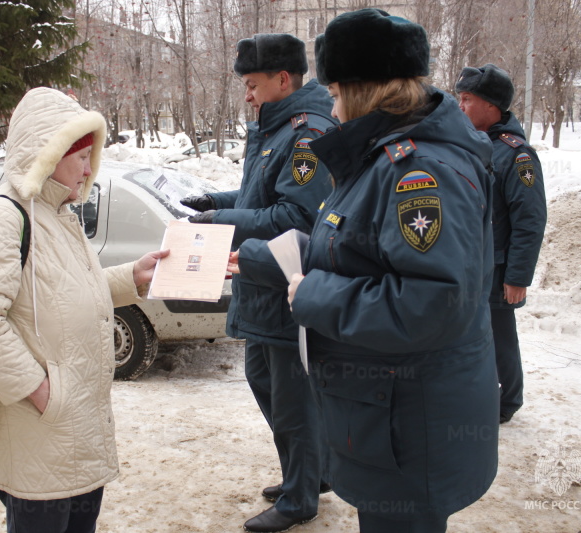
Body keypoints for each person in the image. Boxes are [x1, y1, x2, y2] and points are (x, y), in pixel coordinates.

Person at [230, 9, 499, 532]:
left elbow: (428, 302)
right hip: (388, 415)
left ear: (361, 92)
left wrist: (310, 295)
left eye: (334, 93)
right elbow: (350, 245)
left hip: (410, 424)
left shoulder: (418, 173)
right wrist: (263, 259)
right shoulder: (383, 158)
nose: (329, 106)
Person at [0, 87, 168, 533]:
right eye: (81, 157)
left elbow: (64, 293)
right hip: (39, 436)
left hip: (75, 431)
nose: (90, 169)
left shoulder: (56, 212)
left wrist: (132, 277)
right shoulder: (7, 216)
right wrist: (39, 389)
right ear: (47, 153)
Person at [181, 34, 337, 533]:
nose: (246, 95)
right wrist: (213, 201)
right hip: (259, 285)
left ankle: (300, 497)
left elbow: (297, 215)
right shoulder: (274, 128)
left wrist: (221, 221)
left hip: (284, 287)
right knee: (265, 382)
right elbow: (259, 193)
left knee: (292, 399)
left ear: (283, 79)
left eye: (252, 85)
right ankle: (310, 472)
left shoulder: (307, 133)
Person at [455, 64, 548, 424]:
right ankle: (479, 393)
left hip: (497, 267)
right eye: (459, 98)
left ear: (492, 107)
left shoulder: (517, 155)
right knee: (471, 335)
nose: (460, 106)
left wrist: (518, 276)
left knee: (499, 336)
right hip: (471, 263)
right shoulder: (472, 146)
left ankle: (507, 400)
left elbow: (530, 219)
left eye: (467, 100)